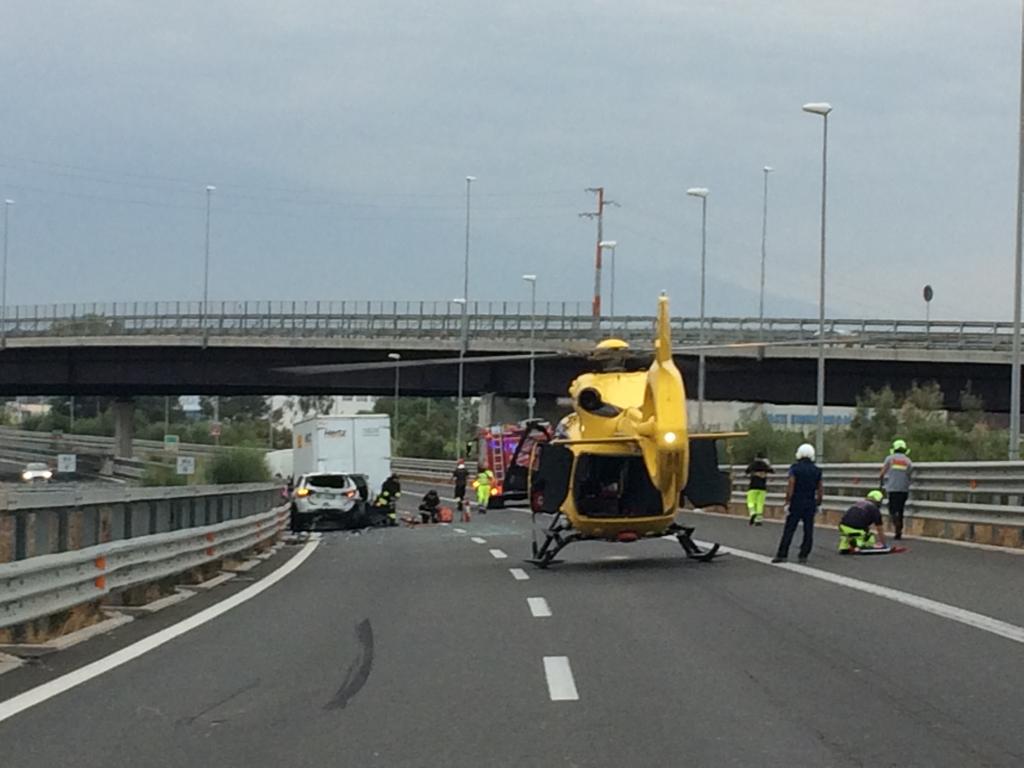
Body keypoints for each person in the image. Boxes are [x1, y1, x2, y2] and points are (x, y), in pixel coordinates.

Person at [772, 443, 823, 564]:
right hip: (810, 502)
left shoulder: (794, 468)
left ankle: (782, 554)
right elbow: (820, 489)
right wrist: (819, 503)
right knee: (808, 529)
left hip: (796, 501)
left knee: (789, 529)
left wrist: (787, 502)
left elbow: (791, 485)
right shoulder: (817, 470)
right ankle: (803, 555)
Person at [879, 439, 913, 540]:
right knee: (901, 509)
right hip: (904, 489)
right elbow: (909, 474)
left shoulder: (889, 459)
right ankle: (900, 529)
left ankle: (896, 523)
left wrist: (881, 481)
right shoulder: (908, 461)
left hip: (892, 488)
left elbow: (882, 472)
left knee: (892, 509)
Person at [744, 452, 773, 526]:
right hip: (762, 488)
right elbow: (772, 471)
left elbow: (746, 471)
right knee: (760, 504)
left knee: (750, 502)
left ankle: (752, 513)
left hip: (753, 487)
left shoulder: (753, 464)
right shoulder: (764, 465)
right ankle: (758, 520)